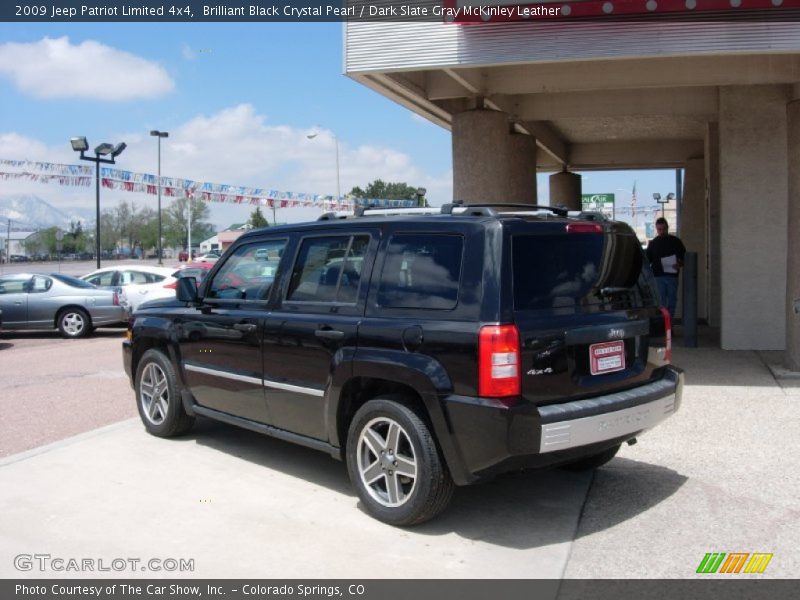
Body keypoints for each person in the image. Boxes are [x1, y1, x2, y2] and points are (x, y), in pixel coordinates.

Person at [646, 217, 686, 320]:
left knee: (671, 302)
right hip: (658, 276)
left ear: (667, 228)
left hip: (672, 276)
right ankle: (663, 325)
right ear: (656, 229)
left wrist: (679, 264)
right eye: (659, 229)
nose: (662, 231)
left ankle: (669, 325)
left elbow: (684, 258)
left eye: (663, 229)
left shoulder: (676, 242)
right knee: (661, 303)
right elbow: (647, 261)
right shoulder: (653, 243)